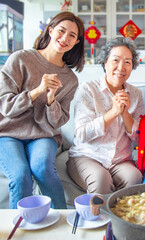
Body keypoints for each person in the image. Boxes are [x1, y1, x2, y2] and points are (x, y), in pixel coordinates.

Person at [0, 11, 85, 209]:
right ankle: (19, 231)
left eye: (72, 35)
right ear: (50, 30)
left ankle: (62, 225)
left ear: (76, 42)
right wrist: (37, 90)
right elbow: (5, 105)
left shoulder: (70, 79)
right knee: (20, 177)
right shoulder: (20, 59)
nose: (65, 38)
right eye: (61, 31)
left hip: (43, 135)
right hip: (8, 133)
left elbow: (57, 122)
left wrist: (50, 99)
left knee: (42, 168)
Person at [67, 38, 144, 194]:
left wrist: (124, 113)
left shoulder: (136, 94)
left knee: (134, 177)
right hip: (87, 156)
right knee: (101, 179)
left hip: (120, 160)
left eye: (128, 62)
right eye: (115, 60)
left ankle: (122, 218)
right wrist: (114, 112)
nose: (121, 67)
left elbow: (139, 139)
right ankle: (96, 217)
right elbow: (82, 134)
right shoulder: (88, 90)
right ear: (105, 62)